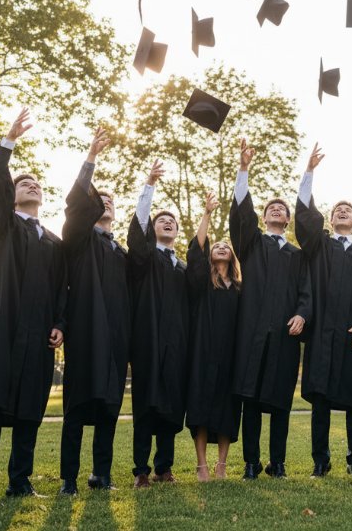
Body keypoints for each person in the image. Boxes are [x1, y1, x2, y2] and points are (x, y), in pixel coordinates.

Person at [0, 108, 67, 506]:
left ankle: (19, 480)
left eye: (37, 183)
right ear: (12, 193)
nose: (32, 186)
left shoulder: (54, 242)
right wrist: (7, 143)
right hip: (3, 328)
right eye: (25, 182)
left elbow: (62, 289)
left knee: (29, 410)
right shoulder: (0, 226)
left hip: (39, 334)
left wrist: (60, 323)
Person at [295, 143, 352, 479]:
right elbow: (304, 214)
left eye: (349, 210)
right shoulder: (319, 247)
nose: (343, 212)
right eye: (338, 210)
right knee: (319, 402)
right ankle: (321, 460)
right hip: (321, 336)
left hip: (351, 336)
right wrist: (309, 172)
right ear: (330, 220)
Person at [230, 139, 313, 480]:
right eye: (271, 208)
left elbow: (307, 292)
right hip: (252, 332)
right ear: (263, 217)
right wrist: (244, 169)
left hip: (283, 334)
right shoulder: (251, 245)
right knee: (250, 399)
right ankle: (251, 462)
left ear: (289, 220)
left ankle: (276, 462)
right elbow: (240, 212)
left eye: (283, 209)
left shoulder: (297, 255)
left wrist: (302, 314)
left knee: (280, 401)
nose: (277, 210)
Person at [58, 127, 131, 495]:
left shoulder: (121, 253)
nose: (106, 205)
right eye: (99, 200)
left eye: (111, 202)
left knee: (109, 412)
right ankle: (69, 480)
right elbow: (75, 205)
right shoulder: (78, 239)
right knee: (75, 410)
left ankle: (101, 474)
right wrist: (90, 158)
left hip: (115, 341)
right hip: (86, 336)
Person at [126, 159, 190, 488]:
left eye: (172, 222)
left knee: (169, 409)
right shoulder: (145, 259)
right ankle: (141, 470)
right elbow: (137, 233)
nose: (166, 223)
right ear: (153, 229)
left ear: (178, 232)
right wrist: (149, 185)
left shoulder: (183, 268)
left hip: (176, 346)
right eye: (160, 220)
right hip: (148, 342)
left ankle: (164, 468)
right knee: (146, 406)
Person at [185, 191, 243, 481]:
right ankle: (201, 465)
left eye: (226, 245)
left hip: (230, 354)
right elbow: (195, 251)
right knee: (201, 405)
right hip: (202, 352)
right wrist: (206, 214)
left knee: (226, 408)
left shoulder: (239, 289)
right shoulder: (200, 283)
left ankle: (221, 465)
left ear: (232, 255)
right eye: (216, 245)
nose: (220, 247)